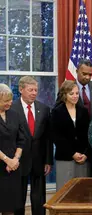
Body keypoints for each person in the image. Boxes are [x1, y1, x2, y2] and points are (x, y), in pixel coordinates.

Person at [10, 76, 53, 215]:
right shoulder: (12, 109)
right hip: (19, 160)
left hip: (39, 160)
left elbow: (48, 137)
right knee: (18, 197)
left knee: (39, 197)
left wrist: (48, 160)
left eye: (36, 90)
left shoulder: (44, 109)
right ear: (21, 89)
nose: (34, 93)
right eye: (31, 90)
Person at [51, 80, 91, 191]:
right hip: (65, 157)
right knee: (65, 191)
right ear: (64, 95)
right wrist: (72, 153)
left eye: (77, 93)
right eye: (71, 93)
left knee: (82, 190)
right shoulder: (56, 112)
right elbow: (56, 137)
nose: (75, 96)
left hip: (83, 158)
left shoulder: (83, 111)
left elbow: (89, 134)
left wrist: (86, 154)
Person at [0, 84, 25, 215]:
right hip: (2, 165)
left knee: (9, 208)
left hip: (12, 168)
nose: (10, 103)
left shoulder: (14, 115)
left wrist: (15, 159)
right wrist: (6, 160)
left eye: (10, 99)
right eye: (6, 101)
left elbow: (21, 139)